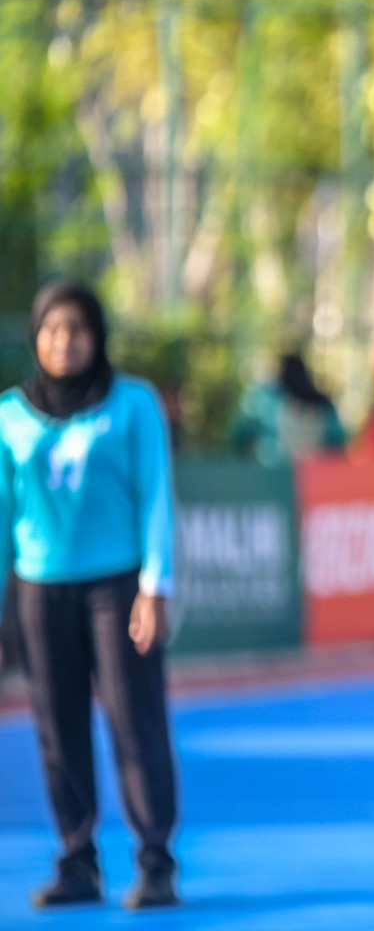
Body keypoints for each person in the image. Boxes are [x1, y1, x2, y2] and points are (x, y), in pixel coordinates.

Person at [0, 281, 182, 910]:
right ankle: (78, 860)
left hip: (117, 588)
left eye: (76, 330)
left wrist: (154, 585)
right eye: (51, 330)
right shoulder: (9, 417)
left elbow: (157, 496)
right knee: (57, 728)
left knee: (136, 724)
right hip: (37, 591)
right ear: (36, 338)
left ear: (97, 336)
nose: (64, 342)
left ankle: (155, 861)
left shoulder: (134, 405)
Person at [229, 350, 347, 465]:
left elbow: (240, 432)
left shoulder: (267, 399)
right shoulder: (325, 406)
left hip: (275, 473)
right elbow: (338, 444)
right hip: (314, 476)